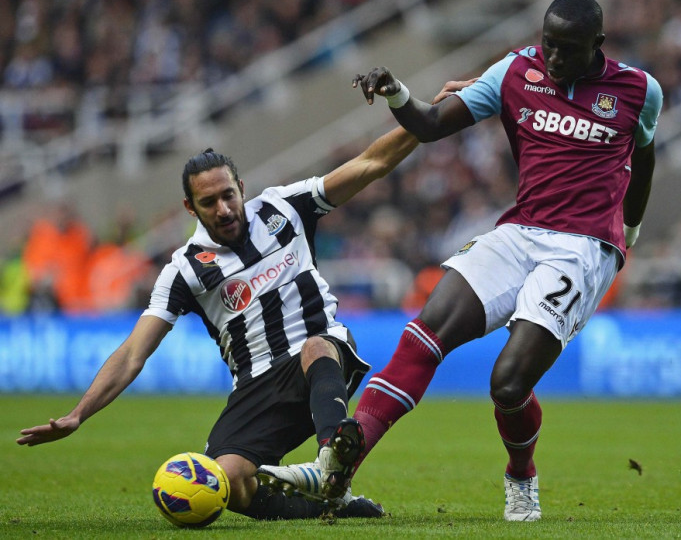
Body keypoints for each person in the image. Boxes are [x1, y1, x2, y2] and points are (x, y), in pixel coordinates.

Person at [257, 0, 663, 522]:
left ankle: (521, 476)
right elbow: (428, 125)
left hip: (584, 247)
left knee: (508, 384)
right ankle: (337, 469)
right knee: (425, 331)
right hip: (519, 232)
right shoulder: (516, 71)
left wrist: (628, 231)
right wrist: (397, 90)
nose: (555, 58)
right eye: (549, 45)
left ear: (598, 45)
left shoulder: (639, 89)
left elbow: (644, 158)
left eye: (568, 49)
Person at [16, 125, 429, 519]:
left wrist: (422, 116)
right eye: (209, 202)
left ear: (241, 188)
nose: (224, 208)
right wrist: (78, 414)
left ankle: (330, 461)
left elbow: (370, 163)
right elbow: (131, 355)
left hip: (321, 361)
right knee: (226, 484)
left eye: (228, 195)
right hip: (257, 385)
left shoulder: (285, 208)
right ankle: (331, 505)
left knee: (315, 345)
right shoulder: (185, 270)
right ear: (190, 207)